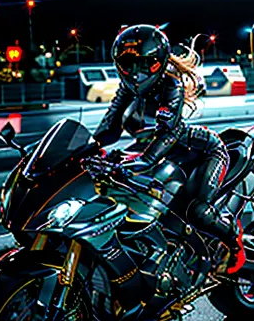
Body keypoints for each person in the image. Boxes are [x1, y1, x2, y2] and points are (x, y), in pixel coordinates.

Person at [92, 24, 245, 274]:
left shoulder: (170, 85)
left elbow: (168, 132)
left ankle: (234, 242)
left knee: (198, 212)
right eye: (129, 62)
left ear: (159, 62)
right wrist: (86, 150)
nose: (136, 72)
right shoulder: (126, 88)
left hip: (203, 152)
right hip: (161, 153)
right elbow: (110, 128)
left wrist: (142, 161)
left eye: (145, 64)